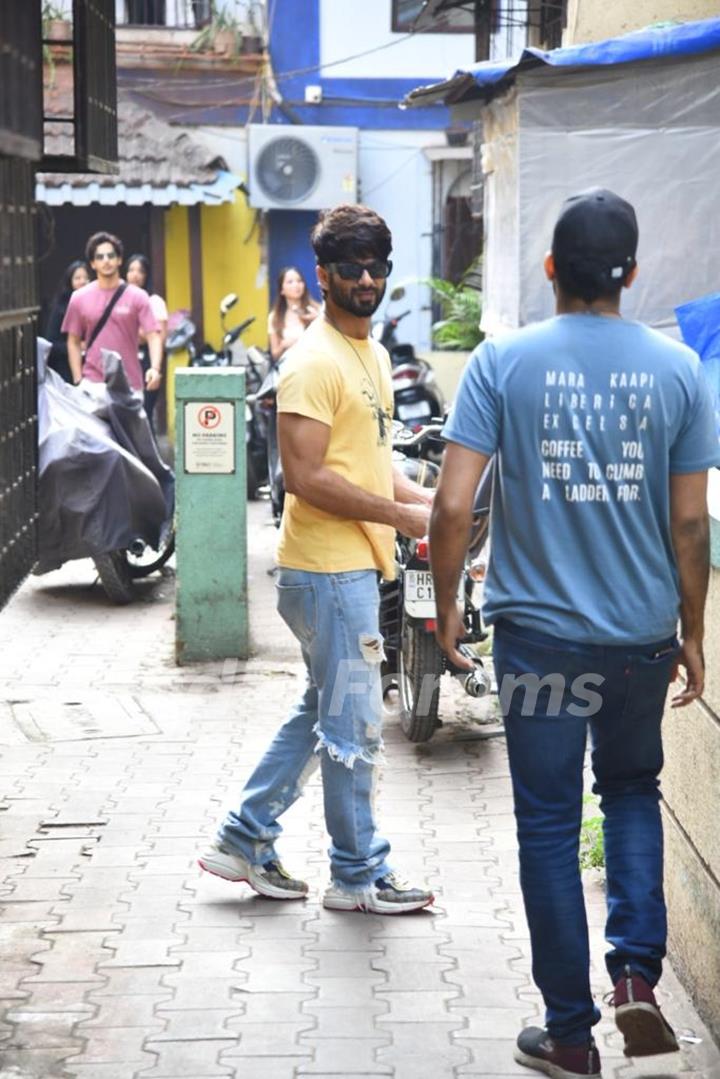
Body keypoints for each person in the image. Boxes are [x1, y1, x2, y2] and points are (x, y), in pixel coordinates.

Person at [429, 189, 719, 1078]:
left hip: (539, 644)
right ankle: (636, 975)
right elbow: (691, 526)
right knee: (632, 790)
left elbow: (449, 503)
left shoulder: (502, 361)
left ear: (551, 268)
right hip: (638, 640)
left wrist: (446, 609)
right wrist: (693, 630)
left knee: (550, 827)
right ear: (630, 274)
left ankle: (568, 1033)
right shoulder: (678, 371)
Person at [199, 204, 435, 914]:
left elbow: (367, 460)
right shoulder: (309, 361)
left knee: (321, 711)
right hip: (327, 570)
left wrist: (431, 500)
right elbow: (306, 475)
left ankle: (243, 838)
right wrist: (399, 516)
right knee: (353, 724)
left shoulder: (374, 354)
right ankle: (358, 874)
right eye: (350, 268)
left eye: (376, 267)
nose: (366, 279)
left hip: (351, 568)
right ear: (321, 275)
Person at [63, 232, 161, 398]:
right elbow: (73, 341)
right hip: (92, 384)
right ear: (93, 264)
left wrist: (155, 368)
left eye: (111, 255)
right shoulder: (79, 298)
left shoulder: (138, 296)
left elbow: (153, 335)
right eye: (100, 257)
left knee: (130, 425)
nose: (106, 260)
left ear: (119, 260)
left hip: (130, 383)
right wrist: (78, 379)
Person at [125, 253, 168, 427]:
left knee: (145, 414)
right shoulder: (120, 300)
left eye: (140, 271)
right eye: (131, 270)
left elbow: (159, 337)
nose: (135, 275)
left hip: (147, 362)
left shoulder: (154, 302)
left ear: (146, 276)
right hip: (126, 361)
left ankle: (149, 454)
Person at [43, 260, 90, 383]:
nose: (82, 282)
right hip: (65, 368)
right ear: (70, 281)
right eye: (77, 278)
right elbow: (51, 343)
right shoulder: (60, 308)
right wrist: (77, 347)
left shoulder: (95, 304)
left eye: (86, 278)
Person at [267, 266, 320, 362]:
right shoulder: (275, 317)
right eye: (290, 282)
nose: (296, 285)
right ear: (281, 290)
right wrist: (284, 345)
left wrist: (318, 319)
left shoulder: (316, 310)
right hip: (288, 368)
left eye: (299, 281)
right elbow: (274, 354)